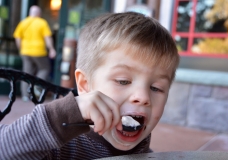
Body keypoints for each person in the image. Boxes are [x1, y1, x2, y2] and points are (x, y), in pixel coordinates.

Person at [0, 12, 179, 159]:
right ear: (85, 85)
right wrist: (61, 117)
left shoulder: (146, 154)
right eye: (123, 81)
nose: (143, 97)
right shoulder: (56, 148)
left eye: (156, 88)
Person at [13, 5, 56, 101]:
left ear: (30, 13)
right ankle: (37, 86)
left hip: (25, 51)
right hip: (38, 51)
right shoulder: (42, 22)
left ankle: (25, 95)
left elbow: (17, 37)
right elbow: (47, 37)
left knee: (26, 73)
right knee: (45, 68)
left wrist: (20, 48)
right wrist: (52, 49)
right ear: (39, 14)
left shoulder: (23, 22)